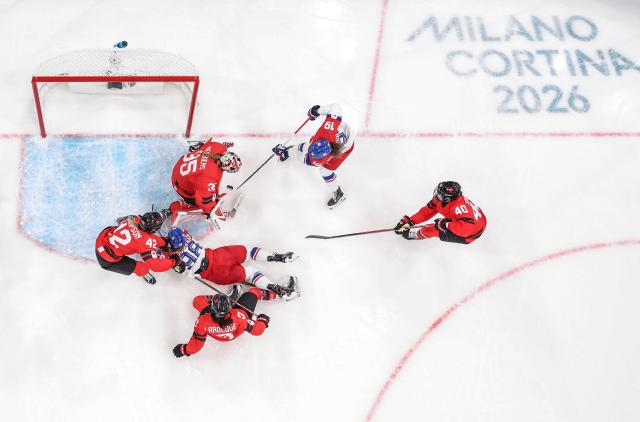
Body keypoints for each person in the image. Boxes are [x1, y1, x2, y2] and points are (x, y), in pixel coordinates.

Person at [167, 227, 300, 301]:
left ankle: (277, 289)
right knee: (249, 251)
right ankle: (278, 257)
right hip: (219, 255)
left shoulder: (174, 257)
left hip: (215, 273)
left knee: (251, 273)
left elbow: (176, 266)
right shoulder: (185, 234)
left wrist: (168, 250)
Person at [272, 103, 354, 209]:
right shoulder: (326, 132)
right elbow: (336, 108)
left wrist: (286, 152)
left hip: (344, 149)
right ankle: (294, 149)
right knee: (305, 146)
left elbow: (302, 156)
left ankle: (338, 194)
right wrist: (317, 111)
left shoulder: (315, 161)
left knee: (325, 171)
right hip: (341, 134)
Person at [172, 289, 274, 357]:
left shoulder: (202, 322)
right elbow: (258, 330)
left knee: (197, 301)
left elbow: (196, 344)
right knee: (253, 292)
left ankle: (223, 300)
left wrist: (184, 350)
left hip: (219, 333)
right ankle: (276, 293)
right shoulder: (239, 316)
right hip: (236, 325)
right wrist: (263, 320)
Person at [169, 137, 242, 222]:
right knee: (201, 203)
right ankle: (179, 206)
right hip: (179, 182)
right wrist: (217, 214)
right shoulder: (209, 177)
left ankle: (198, 148)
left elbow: (219, 144)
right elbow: (205, 202)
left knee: (206, 187)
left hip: (181, 163)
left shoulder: (218, 147)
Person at [95, 212, 178, 284]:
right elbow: (155, 266)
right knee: (141, 268)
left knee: (131, 234)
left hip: (103, 236)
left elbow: (121, 221)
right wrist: (174, 262)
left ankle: (143, 271)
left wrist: (163, 243)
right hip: (106, 259)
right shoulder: (144, 242)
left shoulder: (133, 219)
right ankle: (144, 273)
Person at [394, 181, 486, 244]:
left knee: (432, 229)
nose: (436, 197)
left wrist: (446, 224)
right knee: (437, 226)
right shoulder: (441, 199)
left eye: (440, 196)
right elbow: (426, 212)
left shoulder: (458, 207)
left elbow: (465, 230)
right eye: (437, 193)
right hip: (468, 220)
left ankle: (414, 235)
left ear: (448, 199)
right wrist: (409, 222)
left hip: (471, 233)